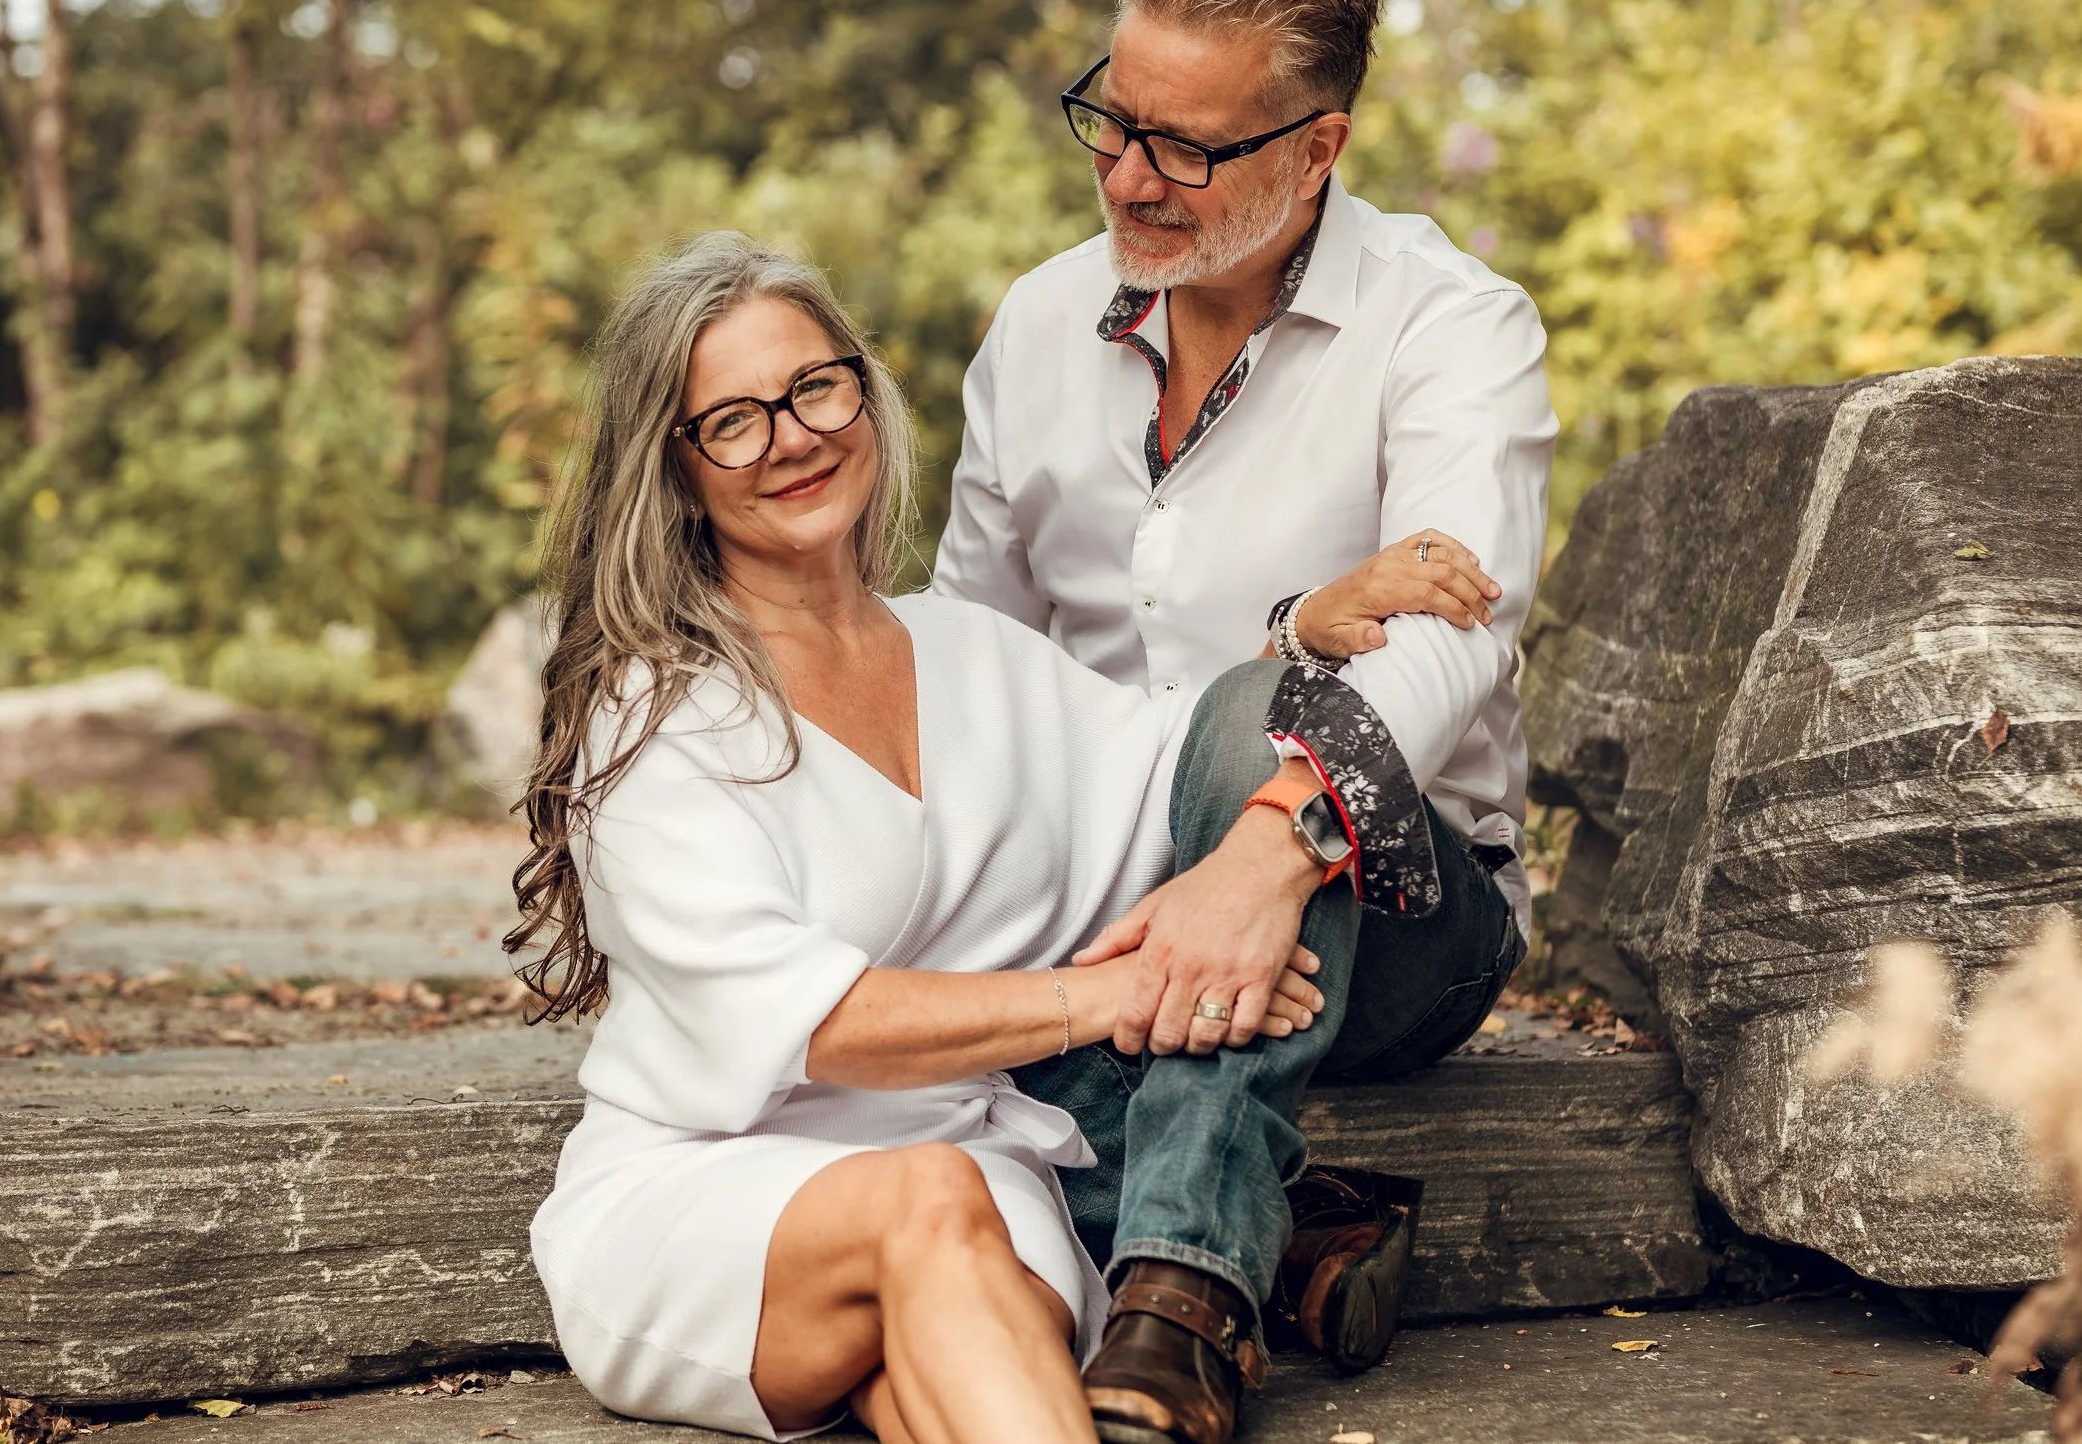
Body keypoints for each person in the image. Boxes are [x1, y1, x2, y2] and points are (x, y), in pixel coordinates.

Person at [511, 232, 1489, 1443]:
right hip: (716, 1181)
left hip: (984, 1166)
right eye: (735, 418)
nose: (796, 434)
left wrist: (1300, 637)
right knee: (928, 1204)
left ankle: (1222, 1245)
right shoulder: (652, 712)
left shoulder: (969, 650)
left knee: (954, 1315)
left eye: (817, 386)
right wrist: (1118, 995)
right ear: (675, 464)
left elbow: (1186, 762)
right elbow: (820, 1024)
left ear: (862, 390)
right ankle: (1247, 1248)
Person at [931, 0, 1559, 1443]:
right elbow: (973, 656)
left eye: (1185, 147)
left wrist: (1269, 843)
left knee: (1262, 715)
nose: (1129, 176)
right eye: (1113, 119)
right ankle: (1302, 1216)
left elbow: (1453, 630)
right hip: (1104, 900)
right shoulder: (1034, 324)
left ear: (1318, 141)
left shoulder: (1452, 322)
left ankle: (1183, 1287)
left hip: (1402, 912)